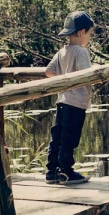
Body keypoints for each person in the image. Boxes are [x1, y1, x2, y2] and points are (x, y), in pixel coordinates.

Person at [44, 11, 95, 185]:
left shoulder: (62, 52)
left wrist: (64, 81)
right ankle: (66, 172)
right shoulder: (81, 52)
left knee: (57, 136)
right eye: (90, 33)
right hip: (77, 103)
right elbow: (87, 75)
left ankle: (52, 171)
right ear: (82, 32)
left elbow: (49, 72)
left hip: (62, 100)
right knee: (70, 138)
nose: (89, 37)